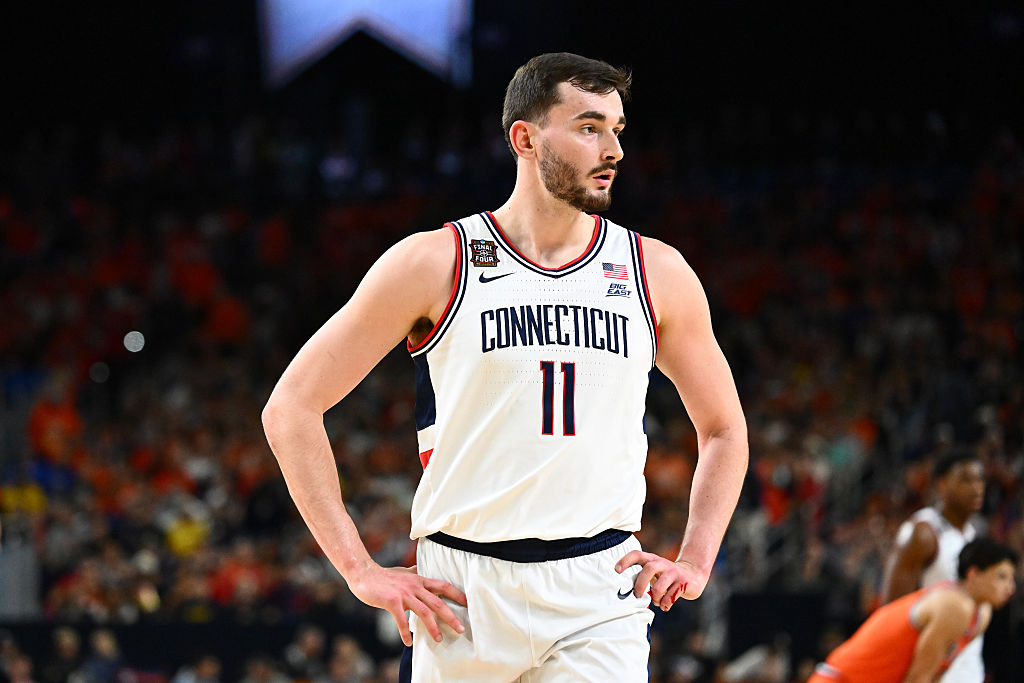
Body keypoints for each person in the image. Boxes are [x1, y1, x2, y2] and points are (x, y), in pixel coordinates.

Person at [262, 52, 748, 681]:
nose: (613, 150)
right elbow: (291, 408)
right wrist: (359, 570)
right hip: (461, 592)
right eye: (588, 127)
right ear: (524, 137)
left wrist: (697, 558)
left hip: (599, 590)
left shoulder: (656, 271)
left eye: (617, 130)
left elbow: (725, 428)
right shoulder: (434, 262)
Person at [808, 537, 1018, 683]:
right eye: (1001, 577)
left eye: (1011, 578)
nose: (1010, 587)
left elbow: (936, 673)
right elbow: (918, 679)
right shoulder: (955, 606)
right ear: (973, 574)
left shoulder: (982, 614)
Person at [880, 448, 986, 681]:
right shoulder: (923, 533)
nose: (976, 487)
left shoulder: (973, 535)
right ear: (942, 485)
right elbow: (890, 613)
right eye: (965, 480)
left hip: (967, 669)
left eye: (980, 479)